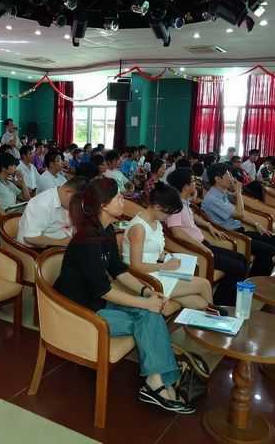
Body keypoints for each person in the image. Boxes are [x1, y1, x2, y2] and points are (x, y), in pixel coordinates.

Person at [54, 177, 195, 414]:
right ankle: (159, 384)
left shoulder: (106, 230)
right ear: (103, 205)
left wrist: (146, 292)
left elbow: (118, 269)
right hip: (78, 311)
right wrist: (145, 302)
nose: (123, 200)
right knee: (147, 316)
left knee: (150, 313)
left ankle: (157, 381)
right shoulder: (86, 240)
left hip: (98, 303)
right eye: (118, 197)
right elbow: (104, 290)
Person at [123, 182, 212, 310]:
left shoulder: (156, 222)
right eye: (168, 213)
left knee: (201, 303)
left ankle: (211, 316)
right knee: (204, 284)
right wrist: (164, 266)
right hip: (143, 278)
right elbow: (135, 266)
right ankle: (216, 317)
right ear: (157, 207)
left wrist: (167, 256)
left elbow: (153, 250)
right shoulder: (139, 228)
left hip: (155, 271)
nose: (168, 217)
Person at [166, 168, 248, 306]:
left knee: (242, 259)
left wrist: (208, 225)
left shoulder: (183, 200)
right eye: (193, 181)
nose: (196, 183)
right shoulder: (175, 206)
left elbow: (193, 215)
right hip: (196, 249)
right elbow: (176, 232)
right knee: (238, 267)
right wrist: (201, 247)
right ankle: (222, 302)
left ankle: (226, 297)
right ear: (185, 186)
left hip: (203, 244)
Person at [202, 163, 275, 277]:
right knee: (269, 251)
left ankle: (257, 276)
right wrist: (238, 193)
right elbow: (239, 214)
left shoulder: (222, 193)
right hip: (232, 235)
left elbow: (238, 215)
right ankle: (255, 280)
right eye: (228, 175)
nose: (231, 178)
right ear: (217, 179)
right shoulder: (212, 198)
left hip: (240, 230)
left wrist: (257, 224)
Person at [17, 176, 87, 248]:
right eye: (77, 202)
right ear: (68, 192)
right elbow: (30, 237)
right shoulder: (42, 204)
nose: (77, 205)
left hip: (60, 242)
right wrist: (61, 242)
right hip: (35, 249)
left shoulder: (64, 200)